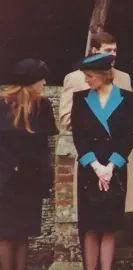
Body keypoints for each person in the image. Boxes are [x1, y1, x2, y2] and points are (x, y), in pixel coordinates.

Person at [58, 32, 133, 215]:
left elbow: (128, 120)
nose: (113, 55)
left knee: (114, 215)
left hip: (115, 156)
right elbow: (65, 118)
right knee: (91, 217)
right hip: (91, 152)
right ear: (94, 51)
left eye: (115, 50)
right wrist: (93, 119)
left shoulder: (124, 77)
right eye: (108, 50)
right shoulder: (75, 78)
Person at [70, 53, 133, 270]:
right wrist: (97, 167)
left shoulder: (127, 98)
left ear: (103, 74)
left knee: (109, 226)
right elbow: (79, 136)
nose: (86, 80)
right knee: (90, 226)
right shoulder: (80, 99)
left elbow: (129, 136)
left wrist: (110, 166)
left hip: (114, 169)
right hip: (90, 169)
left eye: (89, 76)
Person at [0, 59, 58, 270]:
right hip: (6, 180)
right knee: (5, 235)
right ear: (30, 81)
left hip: (30, 179)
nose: (44, 83)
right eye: (40, 79)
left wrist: (45, 177)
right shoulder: (2, 105)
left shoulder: (43, 106)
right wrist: (10, 168)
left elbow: (45, 146)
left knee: (24, 234)